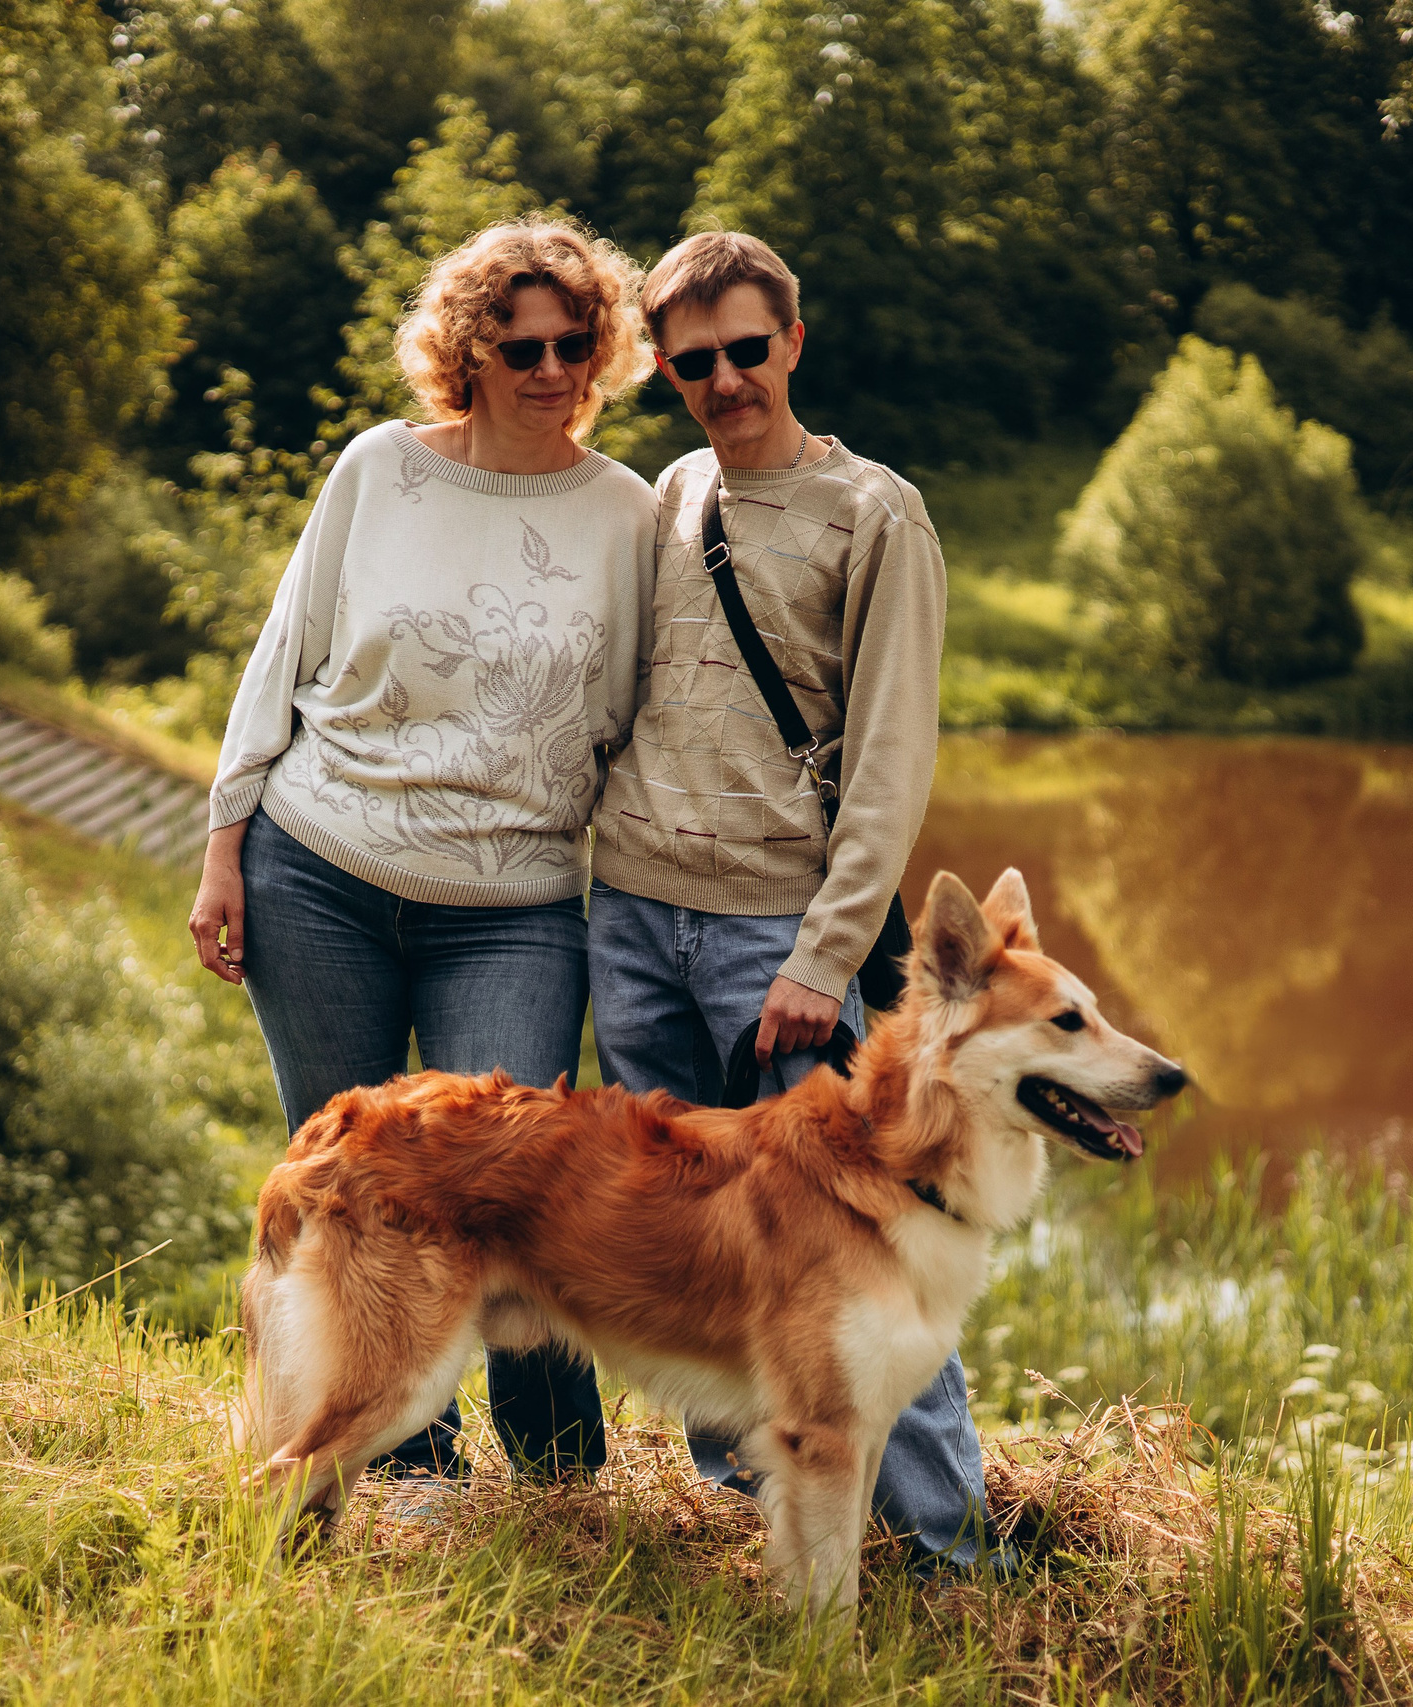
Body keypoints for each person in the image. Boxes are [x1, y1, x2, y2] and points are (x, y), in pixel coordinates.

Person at [188, 216, 658, 1483]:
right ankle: (403, 1469)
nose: (549, 368)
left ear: (601, 347)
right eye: (519, 346)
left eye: (572, 342)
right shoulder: (379, 470)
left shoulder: (628, 513)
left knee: (526, 1192)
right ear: (470, 350)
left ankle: (559, 1475)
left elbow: (639, 716)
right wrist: (225, 841)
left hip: (513, 902)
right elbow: (282, 656)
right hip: (318, 869)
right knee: (365, 1200)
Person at [586, 230, 1004, 1574]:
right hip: (638, 917)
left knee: (861, 1249)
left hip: (780, 937)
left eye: (747, 349)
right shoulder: (673, 494)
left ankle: (943, 1547)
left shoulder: (878, 512)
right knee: (704, 1244)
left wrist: (824, 955)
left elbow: (888, 766)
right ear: (664, 366)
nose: (725, 378)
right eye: (694, 359)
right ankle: (755, 1508)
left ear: (794, 343)